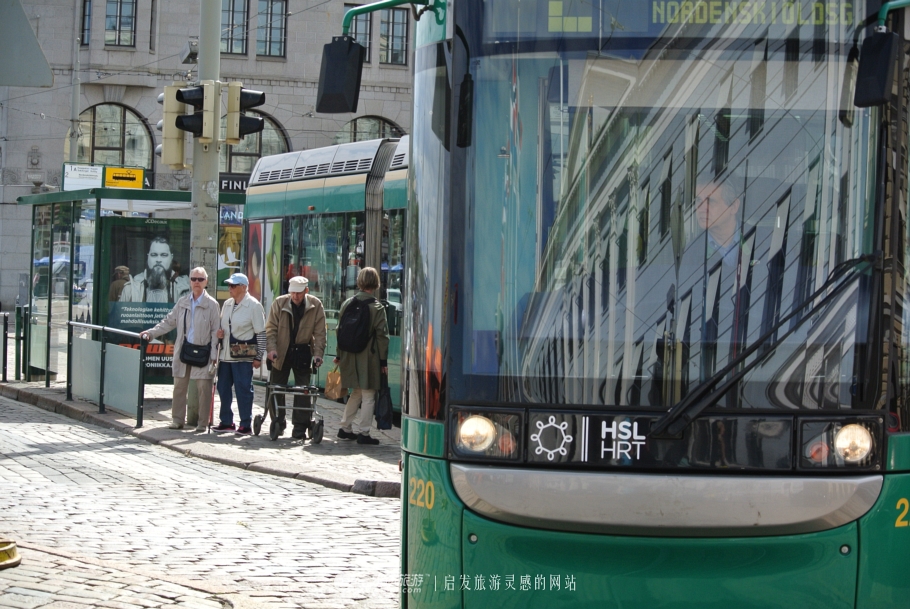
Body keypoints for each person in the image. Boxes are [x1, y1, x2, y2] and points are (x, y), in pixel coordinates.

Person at [139, 267, 220, 431]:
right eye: (194, 279)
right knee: (179, 387)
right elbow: (168, 322)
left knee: (204, 388)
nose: (196, 282)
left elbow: (215, 332)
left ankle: (202, 423)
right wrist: (151, 333)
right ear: (190, 281)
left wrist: (213, 355)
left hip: (203, 352)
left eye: (200, 279)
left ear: (206, 282)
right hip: (183, 350)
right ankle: (177, 420)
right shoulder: (182, 302)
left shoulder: (212, 304)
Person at [265, 276, 327, 439]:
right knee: (276, 387)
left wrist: (318, 354)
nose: (295, 296)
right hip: (281, 351)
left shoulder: (316, 305)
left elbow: (320, 334)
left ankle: (300, 427)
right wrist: (271, 349)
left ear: (306, 291)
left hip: (302, 350)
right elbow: (270, 329)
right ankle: (278, 422)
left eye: (298, 293)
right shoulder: (279, 303)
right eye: (292, 292)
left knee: (303, 391)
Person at [334, 267, 390, 445]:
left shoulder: (347, 303)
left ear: (359, 281)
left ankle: (345, 427)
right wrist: (383, 361)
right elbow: (382, 337)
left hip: (348, 355)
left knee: (356, 392)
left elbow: (339, 331)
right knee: (368, 394)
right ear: (376, 283)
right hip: (368, 357)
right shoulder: (377, 307)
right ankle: (364, 432)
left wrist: (339, 355)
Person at [213, 273, 266, 435]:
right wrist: (220, 334)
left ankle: (245, 424)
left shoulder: (254, 306)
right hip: (225, 355)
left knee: (243, 389)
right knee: (223, 387)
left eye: (233, 285)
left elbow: (261, 333)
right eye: (229, 285)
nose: (230, 288)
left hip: (243, 356)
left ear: (244, 287)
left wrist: (259, 356)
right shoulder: (227, 304)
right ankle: (226, 422)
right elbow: (224, 326)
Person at [120, 237, 191, 302]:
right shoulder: (130, 289)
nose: (158, 260)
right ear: (148, 257)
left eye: (164, 255)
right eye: (154, 255)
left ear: (171, 257)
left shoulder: (185, 289)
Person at [695, 181, 742, 268]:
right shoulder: (690, 253)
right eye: (699, 200)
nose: (701, 209)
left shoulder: (763, 240)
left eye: (710, 201)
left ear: (733, 206)